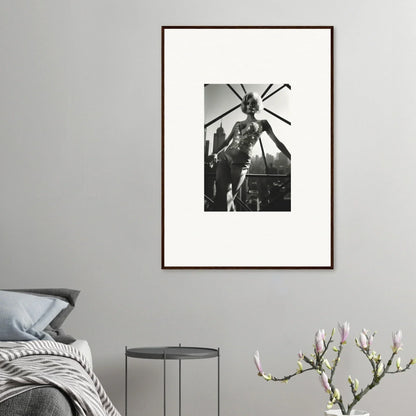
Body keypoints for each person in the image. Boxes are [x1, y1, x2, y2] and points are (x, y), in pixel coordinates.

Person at [208, 92, 291, 211]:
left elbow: (277, 142)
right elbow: (226, 142)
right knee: (222, 195)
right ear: (244, 106)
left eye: (253, 103)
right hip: (225, 159)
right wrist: (215, 153)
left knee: (229, 197)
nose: (249, 105)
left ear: (257, 105)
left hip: (241, 161)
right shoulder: (237, 123)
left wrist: (291, 157)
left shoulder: (263, 123)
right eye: (247, 103)